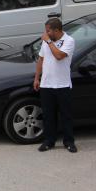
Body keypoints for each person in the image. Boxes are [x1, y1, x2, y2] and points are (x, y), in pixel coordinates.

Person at [33, 18, 77, 153]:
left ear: (56, 30)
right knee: (48, 116)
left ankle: (69, 142)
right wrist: (37, 78)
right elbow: (41, 59)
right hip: (47, 85)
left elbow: (59, 55)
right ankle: (49, 141)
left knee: (66, 116)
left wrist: (49, 41)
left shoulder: (69, 41)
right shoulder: (47, 41)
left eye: (48, 31)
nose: (45, 33)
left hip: (63, 85)